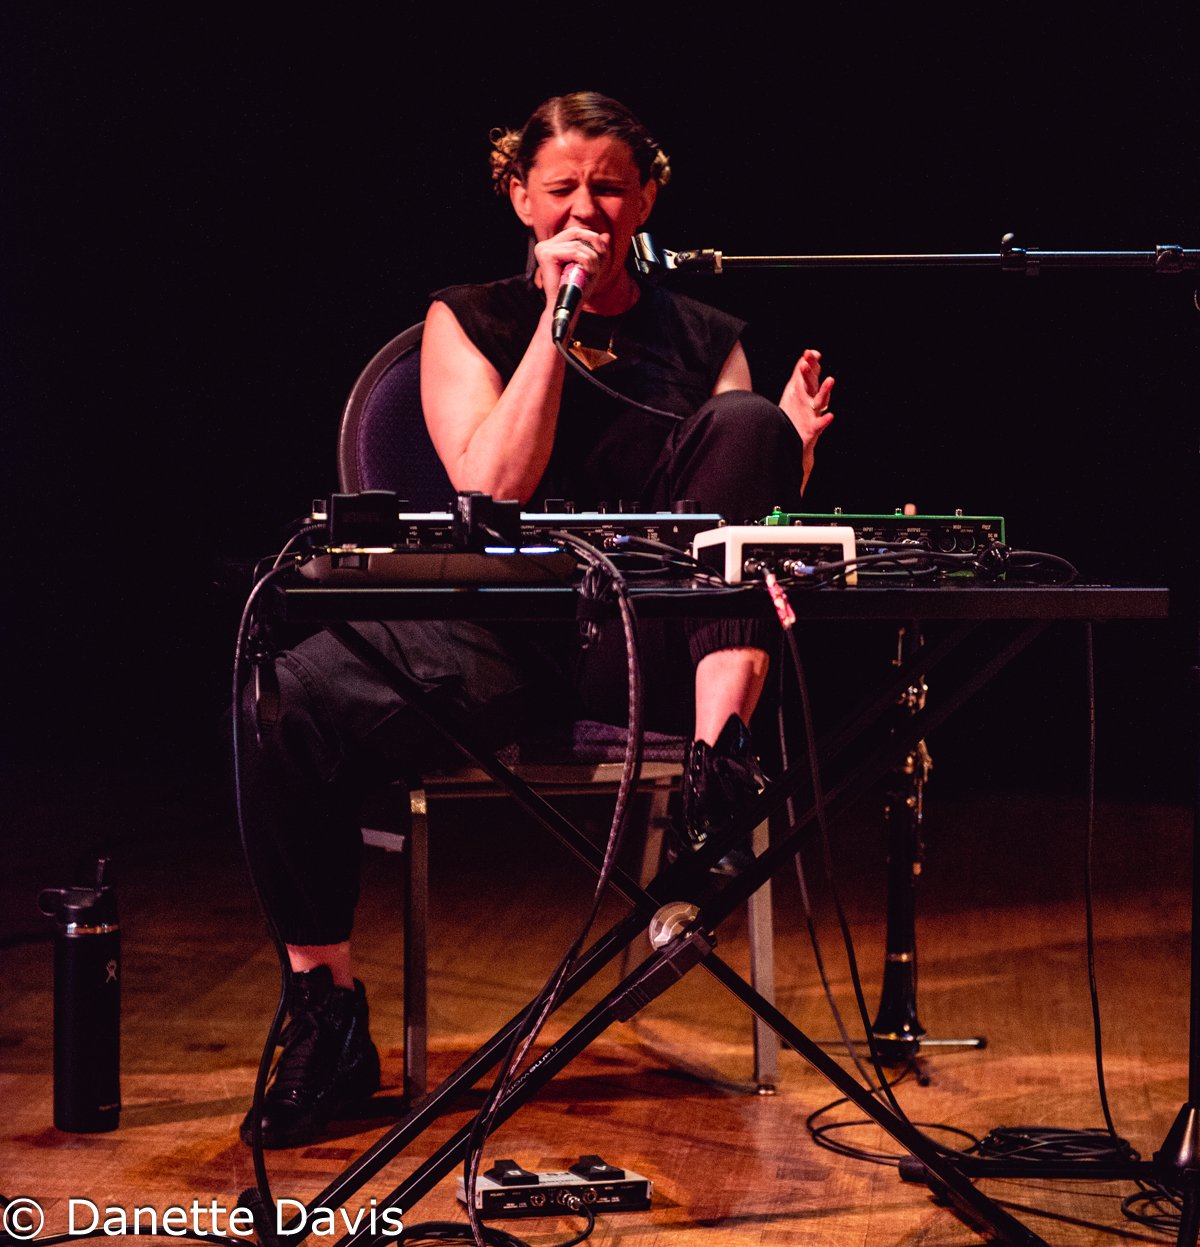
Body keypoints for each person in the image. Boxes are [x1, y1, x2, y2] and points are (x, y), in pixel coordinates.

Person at [238, 91, 835, 1149]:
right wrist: (556, 325)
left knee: (751, 426)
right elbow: (493, 481)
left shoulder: (708, 338)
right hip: (498, 631)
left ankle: (712, 796)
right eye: (563, 189)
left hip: (656, 642)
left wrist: (778, 460)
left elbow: (733, 536)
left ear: (648, 195)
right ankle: (325, 1013)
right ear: (520, 197)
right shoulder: (467, 319)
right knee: (285, 697)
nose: (589, 211)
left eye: (611, 188)